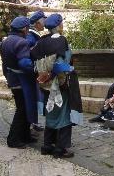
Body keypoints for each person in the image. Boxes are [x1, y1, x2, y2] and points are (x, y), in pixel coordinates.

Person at [31, 13, 83, 158]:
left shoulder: (41, 41)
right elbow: (61, 65)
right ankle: (61, 148)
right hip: (60, 84)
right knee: (64, 114)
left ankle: (47, 145)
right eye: (61, 23)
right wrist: (68, 70)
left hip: (45, 84)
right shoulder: (61, 40)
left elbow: (35, 62)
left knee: (51, 113)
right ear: (58, 25)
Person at [0, 16, 38, 148]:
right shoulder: (22, 42)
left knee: (23, 108)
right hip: (22, 81)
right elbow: (24, 63)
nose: (28, 31)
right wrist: (36, 69)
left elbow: (4, 64)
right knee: (22, 109)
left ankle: (25, 136)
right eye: (28, 28)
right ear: (24, 29)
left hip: (12, 78)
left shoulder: (5, 41)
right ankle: (13, 139)